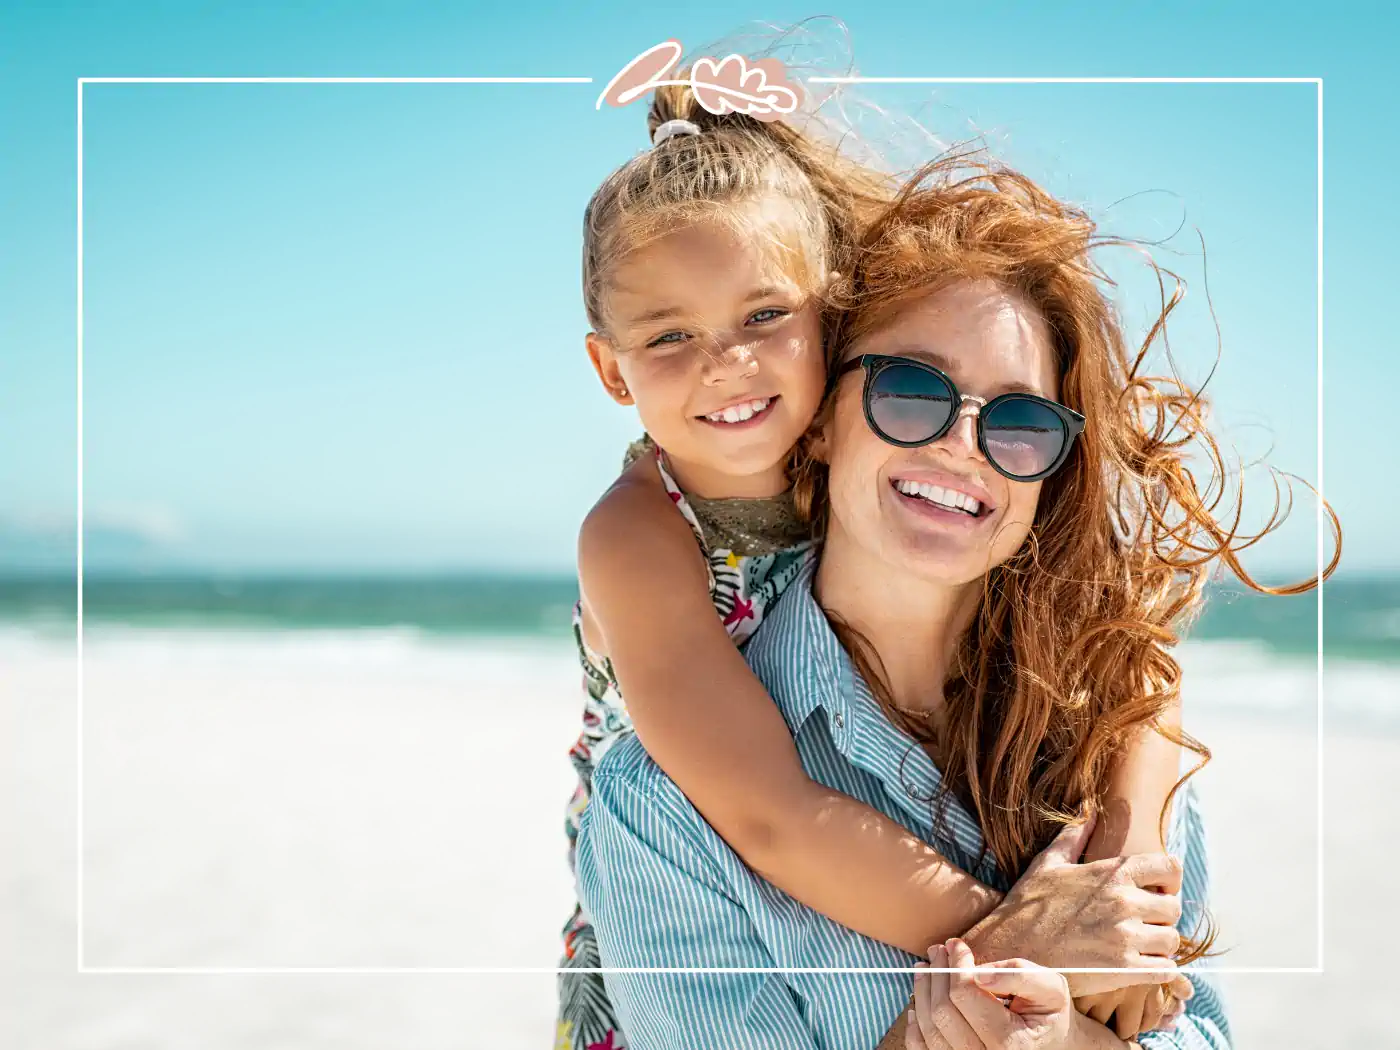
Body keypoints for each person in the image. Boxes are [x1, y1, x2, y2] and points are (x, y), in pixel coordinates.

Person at [575, 151, 1337, 1049]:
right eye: (910, 391)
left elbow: (1152, 672)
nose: (963, 444)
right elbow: (767, 815)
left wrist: (1119, 884)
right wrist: (1025, 944)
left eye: (1020, 421)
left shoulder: (1104, 734)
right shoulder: (662, 794)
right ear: (827, 416)